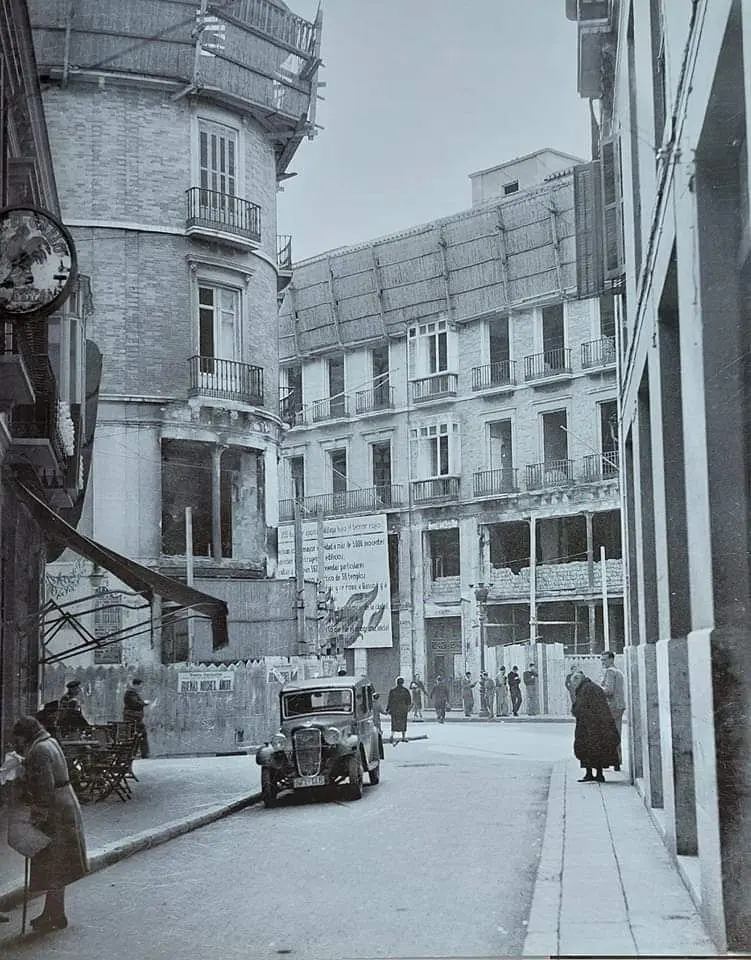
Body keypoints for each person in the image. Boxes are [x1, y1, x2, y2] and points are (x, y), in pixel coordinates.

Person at [12, 715, 89, 932]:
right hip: (65, 804)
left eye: (17, 739)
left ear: (24, 735)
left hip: (55, 810)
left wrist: (37, 816)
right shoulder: (49, 742)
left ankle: (53, 914)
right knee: (59, 864)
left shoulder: (38, 750)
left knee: (53, 863)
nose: (16, 744)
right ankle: (55, 912)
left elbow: (44, 788)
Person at [569, 670, 620, 782]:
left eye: (574, 683)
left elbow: (581, 707)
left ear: (578, 680)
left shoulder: (585, 689)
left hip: (588, 726)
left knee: (586, 748)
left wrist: (574, 711)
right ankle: (598, 774)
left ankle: (589, 774)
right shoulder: (591, 686)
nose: (573, 686)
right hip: (598, 724)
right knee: (597, 749)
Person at [599, 651, 626, 771]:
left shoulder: (610, 672)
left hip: (612, 706)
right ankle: (617, 761)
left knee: (608, 734)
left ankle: (612, 760)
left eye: (604, 660)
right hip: (619, 705)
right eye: (602, 660)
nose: (602, 662)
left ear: (611, 659)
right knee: (617, 733)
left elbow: (608, 690)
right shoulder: (618, 671)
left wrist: (598, 688)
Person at [123, 677, 150, 758]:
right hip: (132, 719)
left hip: (135, 718)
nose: (141, 688)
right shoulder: (130, 693)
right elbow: (135, 703)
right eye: (140, 686)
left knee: (139, 736)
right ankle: (141, 754)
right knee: (136, 736)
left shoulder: (133, 693)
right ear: (136, 685)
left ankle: (141, 753)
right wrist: (144, 703)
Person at [386, 677, 412, 744]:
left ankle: (392, 736)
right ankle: (403, 737)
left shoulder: (392, 691)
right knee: (403, 723)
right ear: (402, 683)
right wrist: (407, 707)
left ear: (396, 683)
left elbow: (390, 701)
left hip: (394, 709)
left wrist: (388, 709)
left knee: (394, 723)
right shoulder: (405, 691)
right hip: (403, 709)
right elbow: (409, 701)